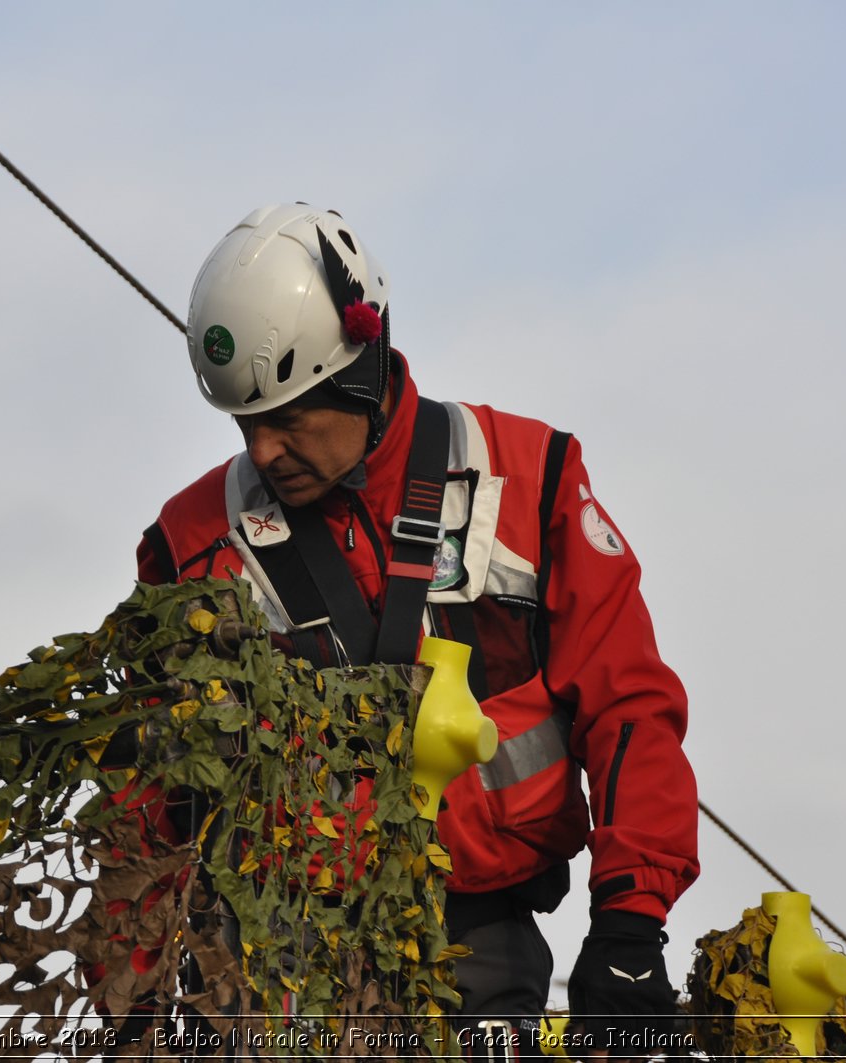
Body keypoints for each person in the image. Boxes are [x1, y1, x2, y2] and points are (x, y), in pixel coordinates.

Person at [136, 203, 699, 1060]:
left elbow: (628, 706)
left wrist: (630, 922)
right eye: (247, 424)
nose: (265, 448)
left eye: (287, 416)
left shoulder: (531, 479)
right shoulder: (190, 547)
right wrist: (131, 1001)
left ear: (359, 371)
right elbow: (148, 804)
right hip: (260, 976)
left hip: (480, 947)